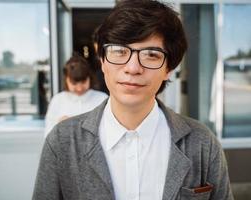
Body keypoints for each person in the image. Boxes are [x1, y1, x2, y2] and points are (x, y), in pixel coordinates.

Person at [33, 0, 234, 199]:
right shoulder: (62, 141)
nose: (133, 68)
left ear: (169, 69)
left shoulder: (202, 143)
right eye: (119, 51)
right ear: (102, 61)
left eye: (151, 55)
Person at [44, 54, 108, 136]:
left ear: (90, 78)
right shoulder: (58, 100)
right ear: (66, 79)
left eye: (83, 82)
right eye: (74, 83)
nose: (79, 88)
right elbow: (48, 135)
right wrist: (59, 126)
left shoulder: (102, 99)